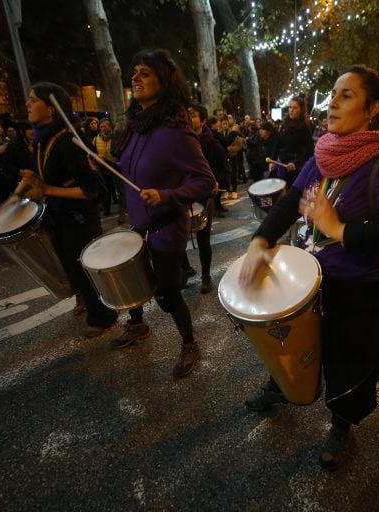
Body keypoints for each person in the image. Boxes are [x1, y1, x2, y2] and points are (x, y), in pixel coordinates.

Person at [238, 65, 379, 470]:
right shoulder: (324, 153)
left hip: (354, 290)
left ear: (373, 107)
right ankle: (281, 386)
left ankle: (342, 424)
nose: (333, 103)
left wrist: (339, 230)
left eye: (347, 95)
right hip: (309, 282)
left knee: (347, 365)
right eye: (333, 94)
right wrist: (260, 241)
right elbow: (290, 204)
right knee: (289, 344)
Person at [110, 49, 215, 379]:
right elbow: (134, 171)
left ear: (163, 81)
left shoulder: (176, 131)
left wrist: (167, 195)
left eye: (145, 73)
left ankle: (189, 343)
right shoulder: (134, 128)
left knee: (167, 293)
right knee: (132, 277)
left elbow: (206, 181)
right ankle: (138, 325)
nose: (135, 77)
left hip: (166, 227)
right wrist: (107, 168)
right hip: (138, 223)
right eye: (134, 72)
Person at [3, 82, 118, 337]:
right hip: (59, 216)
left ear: (51, 108)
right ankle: (89, 303)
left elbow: (90, 191)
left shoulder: (70, 142)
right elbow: (33, 174)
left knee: (83, 267)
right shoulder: (43, 139)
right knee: (71, 267)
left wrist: (46, 190)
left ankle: (103, 317)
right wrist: (13, 199)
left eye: (33, 100)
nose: (28, 105)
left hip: (79, 219)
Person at [183, 103, 227, 294]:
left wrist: (217, 182)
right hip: (182, 197)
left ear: (202, 120)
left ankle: (206, 275)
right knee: (176, 240)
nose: (188, 118)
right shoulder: (179, 141)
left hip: (203, 198)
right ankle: (185, 269)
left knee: (203, 241)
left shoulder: (213, 144)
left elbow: (225, 171)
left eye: (192, 115)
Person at [269, 96, 314, 187]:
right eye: (290, 107)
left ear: (301, 110)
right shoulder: (284, 124)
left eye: (295, 108)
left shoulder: (304, 127)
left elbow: (310, 151)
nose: (291, 110)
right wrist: (272, 161)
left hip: (295, 170)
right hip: (280, 165)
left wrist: (295, 163)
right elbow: (277, 144)